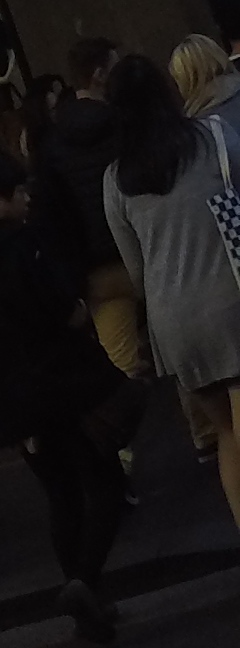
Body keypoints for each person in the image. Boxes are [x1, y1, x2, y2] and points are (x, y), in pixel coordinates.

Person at [0, 150, 133, 643]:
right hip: (60, 386)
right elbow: (65, 311)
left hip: (9, 398)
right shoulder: (23, 247)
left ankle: (86, 604)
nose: (27, 198)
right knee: (105, 481)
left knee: (61, 494)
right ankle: (85, 582)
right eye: (19, 191)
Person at [101, 47, 240, 535]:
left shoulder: (115, 179)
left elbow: (135, 269)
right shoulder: (214, 136)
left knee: (226, 435)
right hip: (229, 300)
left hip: (174, 321)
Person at [32, 36, 145, 390]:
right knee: (188, 356)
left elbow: (50, 217)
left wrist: (72, 280)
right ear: (99, 74)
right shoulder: (127, 122)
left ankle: (132, 420)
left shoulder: (51, 142)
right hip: (146, 249)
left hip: (96, 270)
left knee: (121, 368)